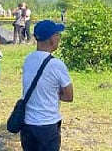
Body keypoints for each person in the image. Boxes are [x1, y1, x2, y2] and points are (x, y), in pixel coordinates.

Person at [20, 20, 74, 151]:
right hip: (47, 124)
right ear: (52, 39)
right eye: (58, 35)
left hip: (27, 123)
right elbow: (69, 96)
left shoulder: (28, 59)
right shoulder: (56, 64)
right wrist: (55, 93)